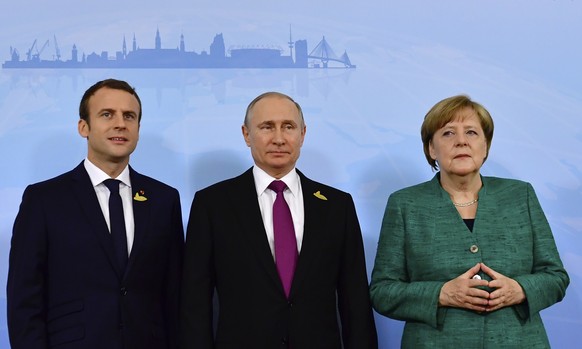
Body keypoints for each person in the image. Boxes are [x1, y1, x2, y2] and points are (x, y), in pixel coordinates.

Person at [180, 91, 378, 349]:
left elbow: (355, 300)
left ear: (303, 134)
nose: (279, 138)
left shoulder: (337, 206)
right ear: (246, 134)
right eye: (266, 127)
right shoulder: (212, 204)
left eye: (288, 127)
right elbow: (195, 302)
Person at [369, 95, 569, 348]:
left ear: (485, 146)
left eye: (472, 132)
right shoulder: (405, 204)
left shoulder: (521, 195)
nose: (461, 141)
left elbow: (555, 277)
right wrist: (441, 294)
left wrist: (520, 289)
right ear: (432, 149)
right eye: (448, 133)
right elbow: (382, 292)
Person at [7, 79, 184, 349]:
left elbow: (174, 294)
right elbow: (24, 300)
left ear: (138, 129)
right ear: (83, 127)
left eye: (129, 116)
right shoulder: (44, 200)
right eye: (107, 114)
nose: (120, 124)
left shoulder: (164, 199)